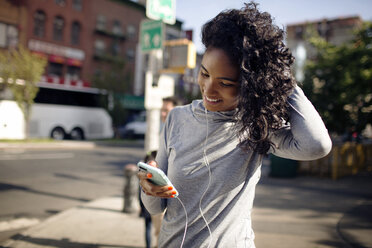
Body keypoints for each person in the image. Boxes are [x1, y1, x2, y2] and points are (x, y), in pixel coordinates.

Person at [138, 2, 332, 248]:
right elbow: (157, 207)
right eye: (205, 74)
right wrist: (148, 188)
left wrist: (280, 77)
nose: (209, 90)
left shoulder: (256, 127)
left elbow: (317, 145)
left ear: (250, 84)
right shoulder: (177, 118)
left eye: (226, 83)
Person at [139, 96, 180, 248]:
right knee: (157, 234)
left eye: (166, 110)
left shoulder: (178, 133)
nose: (163, 114)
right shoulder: (163, 130)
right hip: (156, 190)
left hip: (168, 197)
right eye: (162, 110)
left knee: (161, 235)